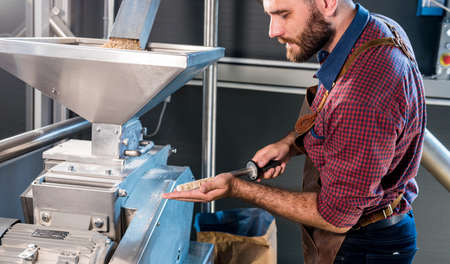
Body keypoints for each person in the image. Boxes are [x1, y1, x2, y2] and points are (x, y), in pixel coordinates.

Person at [163, 0, 426, 263]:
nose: (273, 30)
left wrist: (237, 188)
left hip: (363, 247)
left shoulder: (361, 93)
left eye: (284, 14)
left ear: (327, 3)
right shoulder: (373, 30)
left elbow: (336, 217)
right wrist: (291, 144)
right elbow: (335, 117)